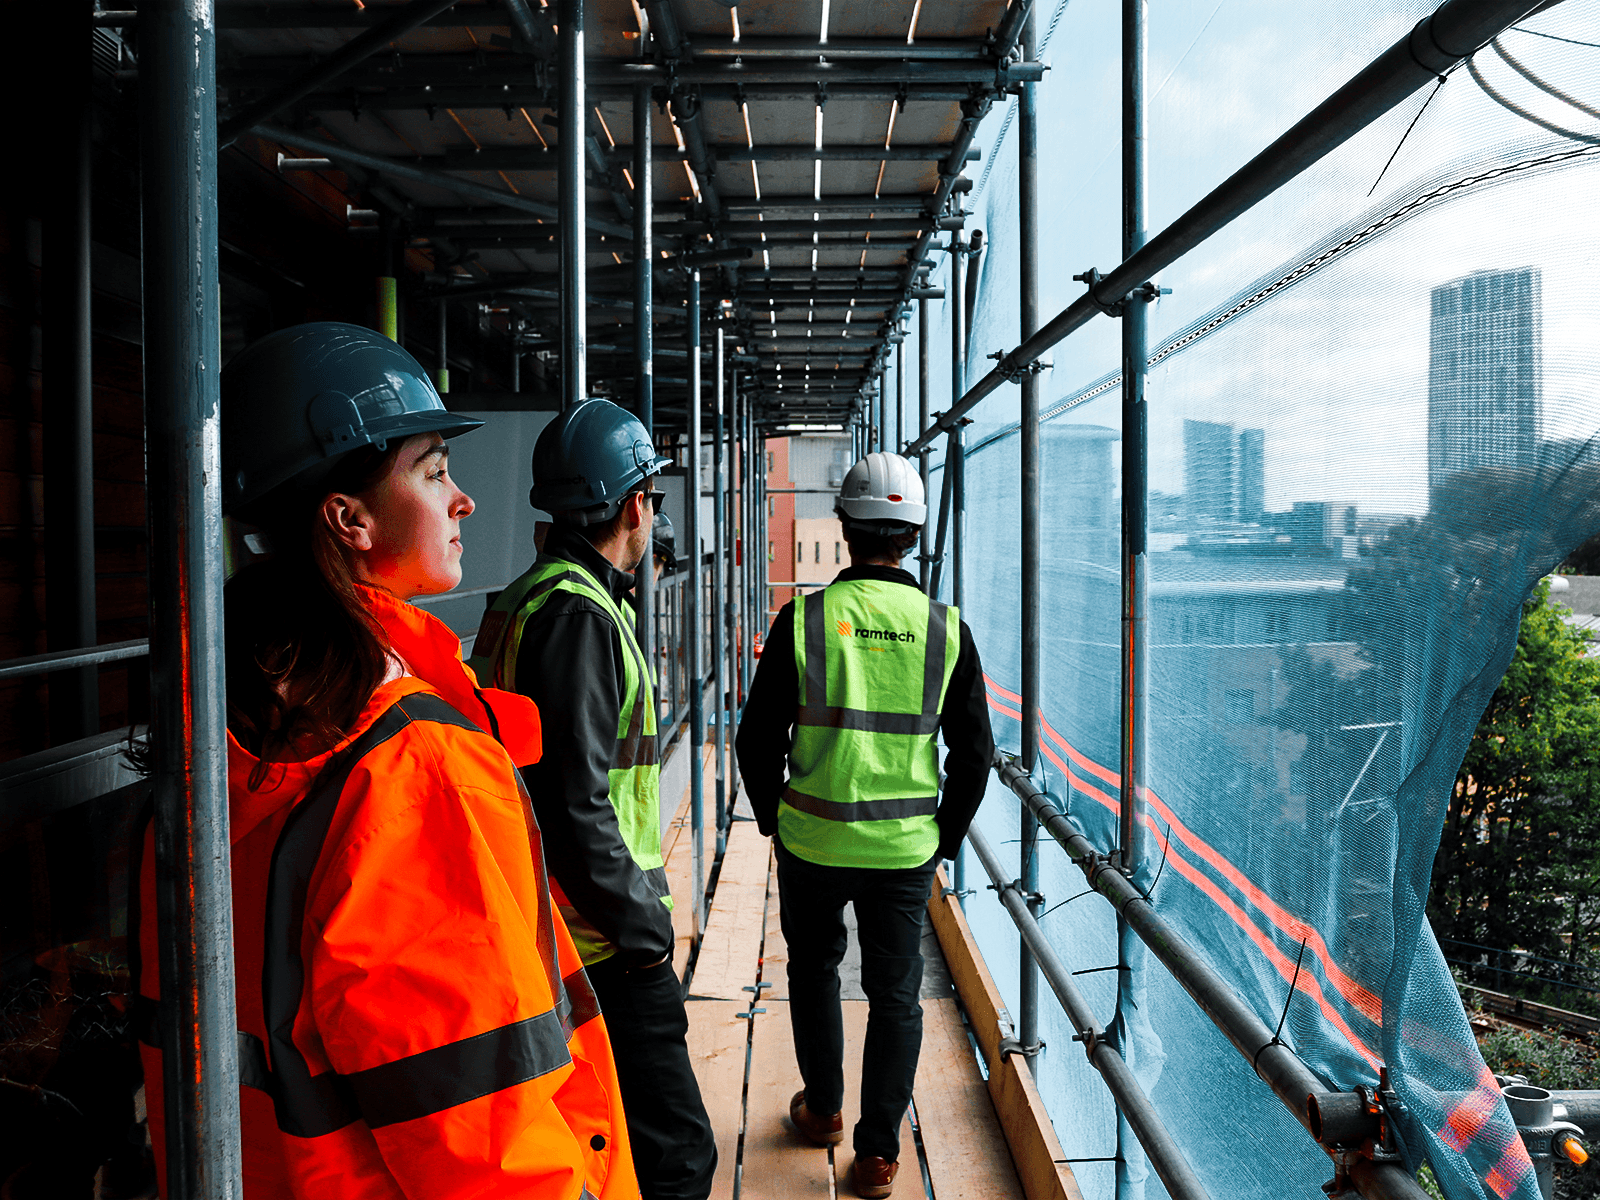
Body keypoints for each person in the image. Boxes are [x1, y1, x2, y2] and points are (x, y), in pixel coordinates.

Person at [134, 323, 635, 1200]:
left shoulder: (224, 733)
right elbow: (482, 1131)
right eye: (435, 469)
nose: (464, 500)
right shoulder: (411, 766)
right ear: (349, 518)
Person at [470, 399, 717, 1200]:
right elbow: (575, 802)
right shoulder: (578, 612)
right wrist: (643, 928)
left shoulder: (528, 597)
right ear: (635, 503)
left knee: (602, 1148)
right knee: (677, 1159)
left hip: (551, 923)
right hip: (599, 940)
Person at [734, 451, 995, 1199]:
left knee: (813, 972)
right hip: (905, 849)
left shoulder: (805, 620)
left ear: (845, 529)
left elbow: (759, 737)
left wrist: (771, 818)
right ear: (913, 535)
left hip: (813, 840)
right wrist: (942, 838)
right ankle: (878, 1156)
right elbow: (974, 753)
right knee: (895, 996)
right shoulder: (947, 630)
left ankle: (822, 1111)